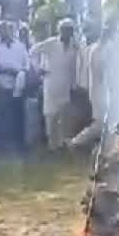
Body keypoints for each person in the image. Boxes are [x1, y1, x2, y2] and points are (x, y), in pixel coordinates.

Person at [30, 19, 80, 149]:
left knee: (63, 117)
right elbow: (33, 51)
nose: (68, 32)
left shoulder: (75, 45)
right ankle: (52, 146)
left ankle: (61, 145)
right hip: (51, 82)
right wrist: (38, 69)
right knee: (50, 116)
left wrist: (74, 85)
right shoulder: (51, 43)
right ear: (60, 30)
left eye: (70, 30)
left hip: (66, 85)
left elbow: (75, 67)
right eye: (65, 29)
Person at [0, 22, 29, 152]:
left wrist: (18, 73)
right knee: (3, 117)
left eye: (5, 29)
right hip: (2, 86)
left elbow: (26, 66)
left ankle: (19, 145)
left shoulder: (20, 46)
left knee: (18, 116)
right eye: (0, 30)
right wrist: (6, 71)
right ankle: (3, 146)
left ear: (11, 30)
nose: (3, 32)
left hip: (18, 86)